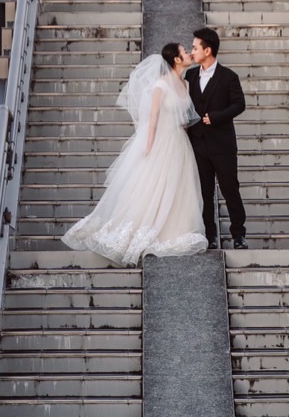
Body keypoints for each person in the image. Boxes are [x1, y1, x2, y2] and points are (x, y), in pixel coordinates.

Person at [61, 42, 208, 264]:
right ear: (176, 59)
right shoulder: (160, 85)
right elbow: (152, 121)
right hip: (162, 140)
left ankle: (175, 228)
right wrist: (148, 147)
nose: (189, 53)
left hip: (180, 141)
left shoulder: (186, 84)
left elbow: (185, 118)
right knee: (153, 186)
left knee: (179, 186)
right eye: (185, 52)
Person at [185, 27, 247, 249]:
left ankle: (239, 234)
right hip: (198, 144)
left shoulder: (229, 77)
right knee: (204, 191)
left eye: (195, 47)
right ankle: (209, 235)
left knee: (230, 188)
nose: (192, 51)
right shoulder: (190, 75)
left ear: (208, 50)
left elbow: (240, 104)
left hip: (223, 145)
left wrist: (216, 117)